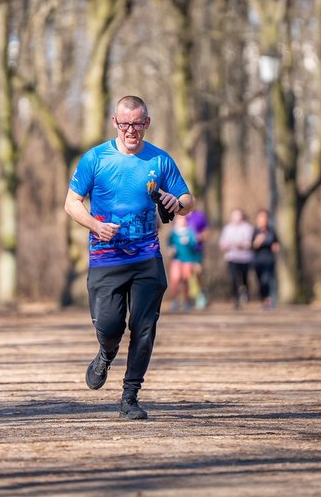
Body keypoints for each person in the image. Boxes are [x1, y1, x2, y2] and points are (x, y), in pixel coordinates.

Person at [65, 95, 193, 421]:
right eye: (125, 124)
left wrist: (175, 203)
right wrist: (95, 225)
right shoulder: (95, 159)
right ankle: (106, 352)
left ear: (147, 123)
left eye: (137, 123)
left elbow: (187, 200)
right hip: (105, 258)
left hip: (146, 257)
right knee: (109, 327)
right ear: (115, 123)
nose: (131, 130)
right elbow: (71, 203)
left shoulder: (160, 161)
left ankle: (129, 397)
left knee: (144, 327)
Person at [219, 209, 254, 309]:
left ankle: (245, 293)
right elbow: (223, 243)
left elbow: (248, 243)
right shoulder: (227, 228)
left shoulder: (247, 228)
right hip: (232, 257)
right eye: (234, 215)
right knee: (233, 278)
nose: (236, 218)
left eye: (238, 215)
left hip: (245, 258)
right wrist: (227, 245)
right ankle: (236, 299)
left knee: (244, 278)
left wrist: (239, 244)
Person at [167, 216, 201, 312]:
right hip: (176, 259)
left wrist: (197, 261)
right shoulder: (173, 233)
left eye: (184, 219)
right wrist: (171, 250)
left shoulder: (190, 232)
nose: (182, 221)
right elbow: (169, 245)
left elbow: (195, 247)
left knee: (186, 281)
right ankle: (175, 301)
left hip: (188, 260)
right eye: (180, 219)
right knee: (175, 280)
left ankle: (187, 301)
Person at [251, 209, 280, 309]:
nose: (263, 220)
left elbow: (276, 243)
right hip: (258, 260)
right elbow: (250, 246)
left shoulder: (271, 231)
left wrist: (276, 247)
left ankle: (270, 300)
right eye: (260, 218)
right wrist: (256, 242)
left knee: (267, 279)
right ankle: (264, 299)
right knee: (261, 282)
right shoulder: (254, 231)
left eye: (264, 217)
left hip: (269, 260)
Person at [185, 204, 210, 309]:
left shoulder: (199, 216)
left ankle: (202, 295)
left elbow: (207, 231)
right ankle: (188, 299)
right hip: (184, 252)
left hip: (197, 250)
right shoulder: (181, 215)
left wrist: (200, 237)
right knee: (186, 275)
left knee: (198, 272)